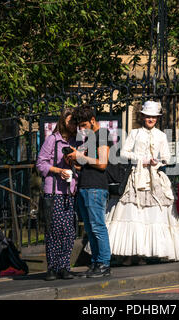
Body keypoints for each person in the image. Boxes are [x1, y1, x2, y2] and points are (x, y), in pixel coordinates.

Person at [105, 101, 179, 265]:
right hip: (136, 178)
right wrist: (141, 160)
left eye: (154, 116)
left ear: (157, 118)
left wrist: (157, 162)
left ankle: (144, 254)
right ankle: (130, 255)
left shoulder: (161, 135)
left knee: (153, 214)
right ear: (143, 116)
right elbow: (123, 153)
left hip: (155, 179)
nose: (151, 119)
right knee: (133, 213)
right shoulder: (135, 133)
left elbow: (166, 157)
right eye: (148, 116)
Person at [67, 105, 113, 277]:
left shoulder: (102, 135)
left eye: (84, 125)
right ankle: (96, 262)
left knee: (97, 226)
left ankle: (104, 263)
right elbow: (88, 163)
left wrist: (81, 157)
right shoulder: (90, 138)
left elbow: (102, 163)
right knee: (89, 227)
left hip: (96, 187)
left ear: (93, 120)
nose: (81, 129)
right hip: (85, 185)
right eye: (79, 126)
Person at [36, 108, 80, 280]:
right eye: (70, 121)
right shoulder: (53, 140)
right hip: (53, 191)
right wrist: (57, 170)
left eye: (75, 122)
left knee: (68, 231)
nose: (73, 125)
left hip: (69, 191)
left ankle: (64, 266)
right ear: (63, 122)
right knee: (54, 230)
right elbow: (40, 164)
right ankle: (52, 268)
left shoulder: (77, 142)